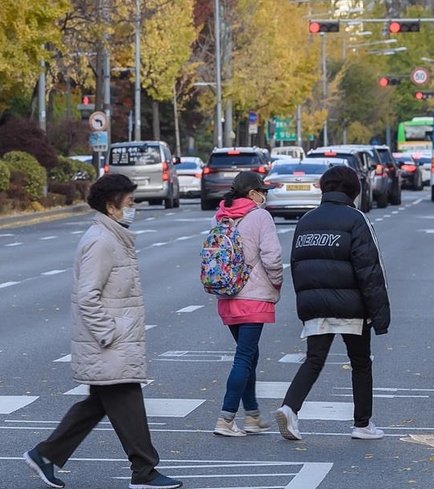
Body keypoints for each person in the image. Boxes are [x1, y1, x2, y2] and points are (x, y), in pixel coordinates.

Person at [24, 173, 183, 489]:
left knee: (98, 404)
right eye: (129, 202)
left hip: (114, 340)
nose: (133, 207)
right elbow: (87, 295)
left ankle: (46, 455)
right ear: (112, 207)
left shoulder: (112, 236)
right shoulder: (102, 242)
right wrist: (109, 333)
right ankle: (145, 471)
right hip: (110, 342)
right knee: (127, 399)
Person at [274, 163, 390, 443]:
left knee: (314, 360)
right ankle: (362, 424)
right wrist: (380, 315)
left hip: (315, 304)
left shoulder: (306, 221)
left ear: (323, 189)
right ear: (354, 191)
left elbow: (298, 266)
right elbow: (370, 271)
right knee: (361, 363)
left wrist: (305, 305)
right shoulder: (357, 220)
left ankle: (289, 408)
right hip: (353, 306)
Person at [211, 170, 283, 438]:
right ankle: (226, 418)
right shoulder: (260, 216)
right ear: (252, 193)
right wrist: (275, 283)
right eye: (262, 191)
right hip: (253, 296)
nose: (265, 196)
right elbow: (272, 256)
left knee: (249, 354)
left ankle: (252, 415)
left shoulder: (220, 215)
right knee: (244, 357)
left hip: (227, 294)